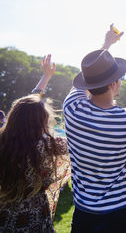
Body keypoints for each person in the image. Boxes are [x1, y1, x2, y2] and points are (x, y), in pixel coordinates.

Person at [63, 25, 126, 233]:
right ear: (115, 84)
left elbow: (85, 80)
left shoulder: (71, 108)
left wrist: (106, 44)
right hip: (120, 215)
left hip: (85, 214)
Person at [0, 54, 70, 232]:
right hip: (36, 220)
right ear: (40, 121)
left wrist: (45, 77)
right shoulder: (48, 145)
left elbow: (27, 107)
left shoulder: (2, 140)